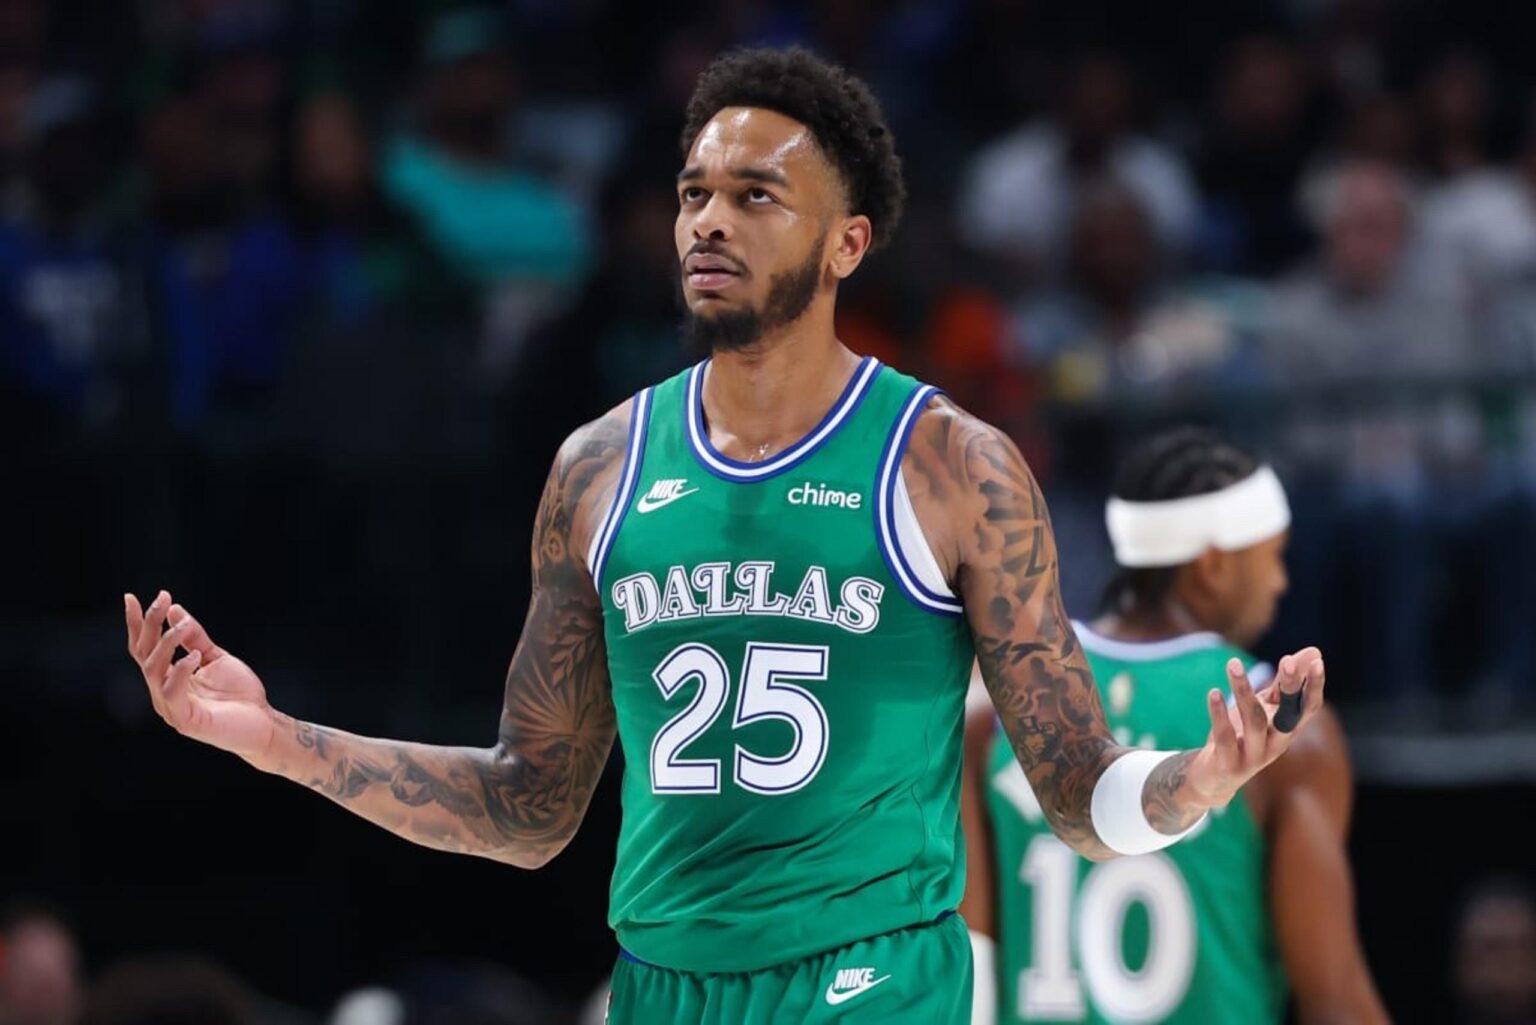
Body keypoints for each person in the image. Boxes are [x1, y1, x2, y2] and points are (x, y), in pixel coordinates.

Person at [125, 48, 1326, 1024]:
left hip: (873, 981)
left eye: (756, 195)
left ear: (847, 243)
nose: (709, 220)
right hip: (665, 986)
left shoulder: (952, 464)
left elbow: (1071, 788)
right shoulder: (598, 466)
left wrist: (1196, 782)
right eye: (695, 191)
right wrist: (276, 738)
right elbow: (529, 807)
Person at [960, 428, 1386, 1024]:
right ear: (1212, 565)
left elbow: (968, 965)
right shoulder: (1287, 732)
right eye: (1273, 556)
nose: (1280, 583)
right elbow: (1334, 1000)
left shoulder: (995, 708)